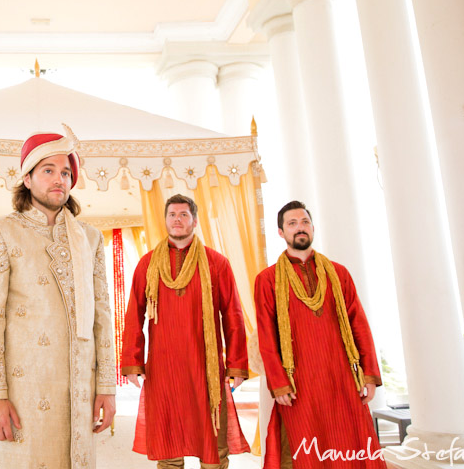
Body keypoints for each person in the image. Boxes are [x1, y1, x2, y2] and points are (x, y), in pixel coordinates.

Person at [0, 127, 116, 469]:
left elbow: (102, 314)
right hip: (24, 388)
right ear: (27, 178)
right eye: (48, 170)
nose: (59, 180)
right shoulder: (1, 232)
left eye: (66, 172)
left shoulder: (90, 238)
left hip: (79, 388)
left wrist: (106, 386)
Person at [121, 194, 250, 469]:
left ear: (194, 220)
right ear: (165, 220)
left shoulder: (217, 263)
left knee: (212, 444)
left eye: (183, 215)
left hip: (204, 368)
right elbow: (134, 314)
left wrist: (237, 365)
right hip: (164, 369)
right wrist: (133, 362)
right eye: (172, 215)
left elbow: (233, 316)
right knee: (168, 442)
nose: (177, 220)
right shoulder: (147, 264)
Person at [254, 201, 384, 469]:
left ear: (312, 227)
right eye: (292, 224)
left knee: (350, 444)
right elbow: (267, 337)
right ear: (281, 232)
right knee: (305, 449)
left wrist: (369, 374)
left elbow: (358, 323)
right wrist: (279, 383)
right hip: (298, 381)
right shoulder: (267, 280)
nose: (299, 228)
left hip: (341, 378)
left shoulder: (338, 273)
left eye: (304, 222)